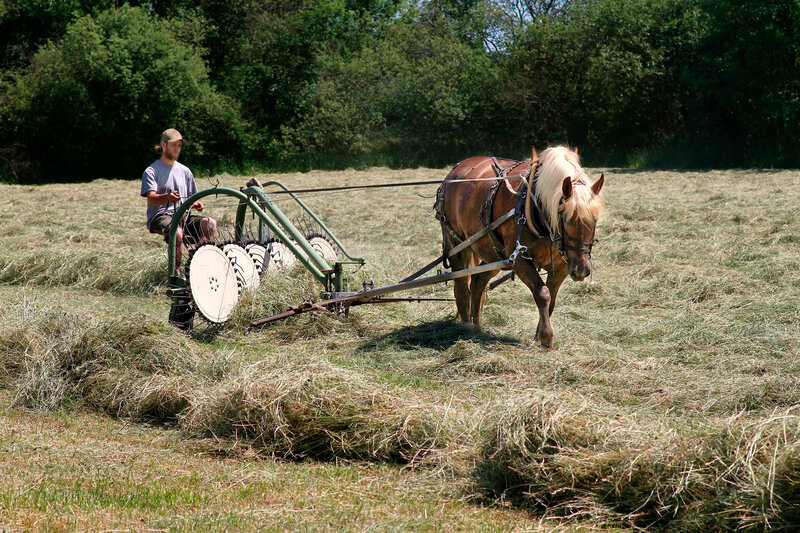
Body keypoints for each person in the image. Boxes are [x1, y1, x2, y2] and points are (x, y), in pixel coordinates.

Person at [141, 128, 216, 272]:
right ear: (164, 145)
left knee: (210, 224)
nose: (177, 148)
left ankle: (199, 265)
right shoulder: (152, 171)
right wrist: (167, 197)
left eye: (179, 145)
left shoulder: (185, 171)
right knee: (178, 232)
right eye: (173, 144)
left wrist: (195, 204)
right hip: (161, 215)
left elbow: (191, 198)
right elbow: (152, 199)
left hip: (183, 214)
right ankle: (175, 274)